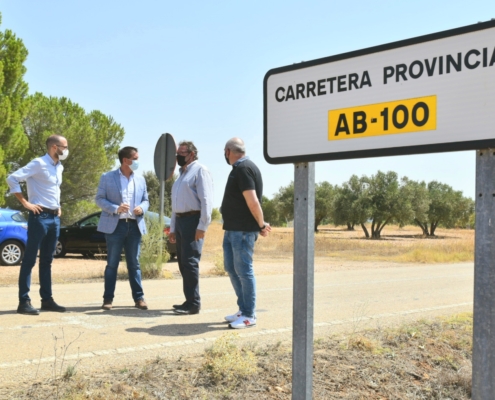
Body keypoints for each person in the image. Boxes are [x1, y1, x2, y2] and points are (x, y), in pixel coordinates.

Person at [7, 135, 69, 315]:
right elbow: (12, 178)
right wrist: (25, 203)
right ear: (54, 147)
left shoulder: (60, 167)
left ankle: (47, 300)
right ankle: (24, 302)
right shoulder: (38, 163)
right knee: (29, 260)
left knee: (47, 261)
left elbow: (53, 190)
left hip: (54, 218)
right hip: (39, 217)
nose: (66, 150)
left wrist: (58, 207)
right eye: (64, 147)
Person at [221, 137, 271, 329]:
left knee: (244, 271)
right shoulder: (241, 168)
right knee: (232, 268)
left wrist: (261, 224)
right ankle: (243, 309)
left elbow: (253, 201)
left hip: (242, 231)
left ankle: (249, 314)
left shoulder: (243, 169)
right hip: (232, 229)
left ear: (228, 151)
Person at [95, 146, 149, 310]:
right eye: (135, 158)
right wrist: (115, 208)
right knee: (112, 264)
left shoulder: (140, 179)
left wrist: (142, 208)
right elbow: (99, 199)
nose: (138, 161)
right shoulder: (107, 177)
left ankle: (139, 299)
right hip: (115, 226)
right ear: (126, 160)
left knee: (134, 264)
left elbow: (146, 200)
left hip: (134, 226)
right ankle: (108, 300)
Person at [168, 141, 213, 315]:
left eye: (182, 153)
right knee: (183, 263)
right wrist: (173, 228)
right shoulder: (181, 175)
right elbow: (175, 206)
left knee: (190, 262)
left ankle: (194, 304)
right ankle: (188, 300)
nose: (178, 156)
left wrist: (202, 226)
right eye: (177, 153)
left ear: (192, 154)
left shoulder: (200, 171)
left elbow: (206, 201)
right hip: (180, 222)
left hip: (193, 220)